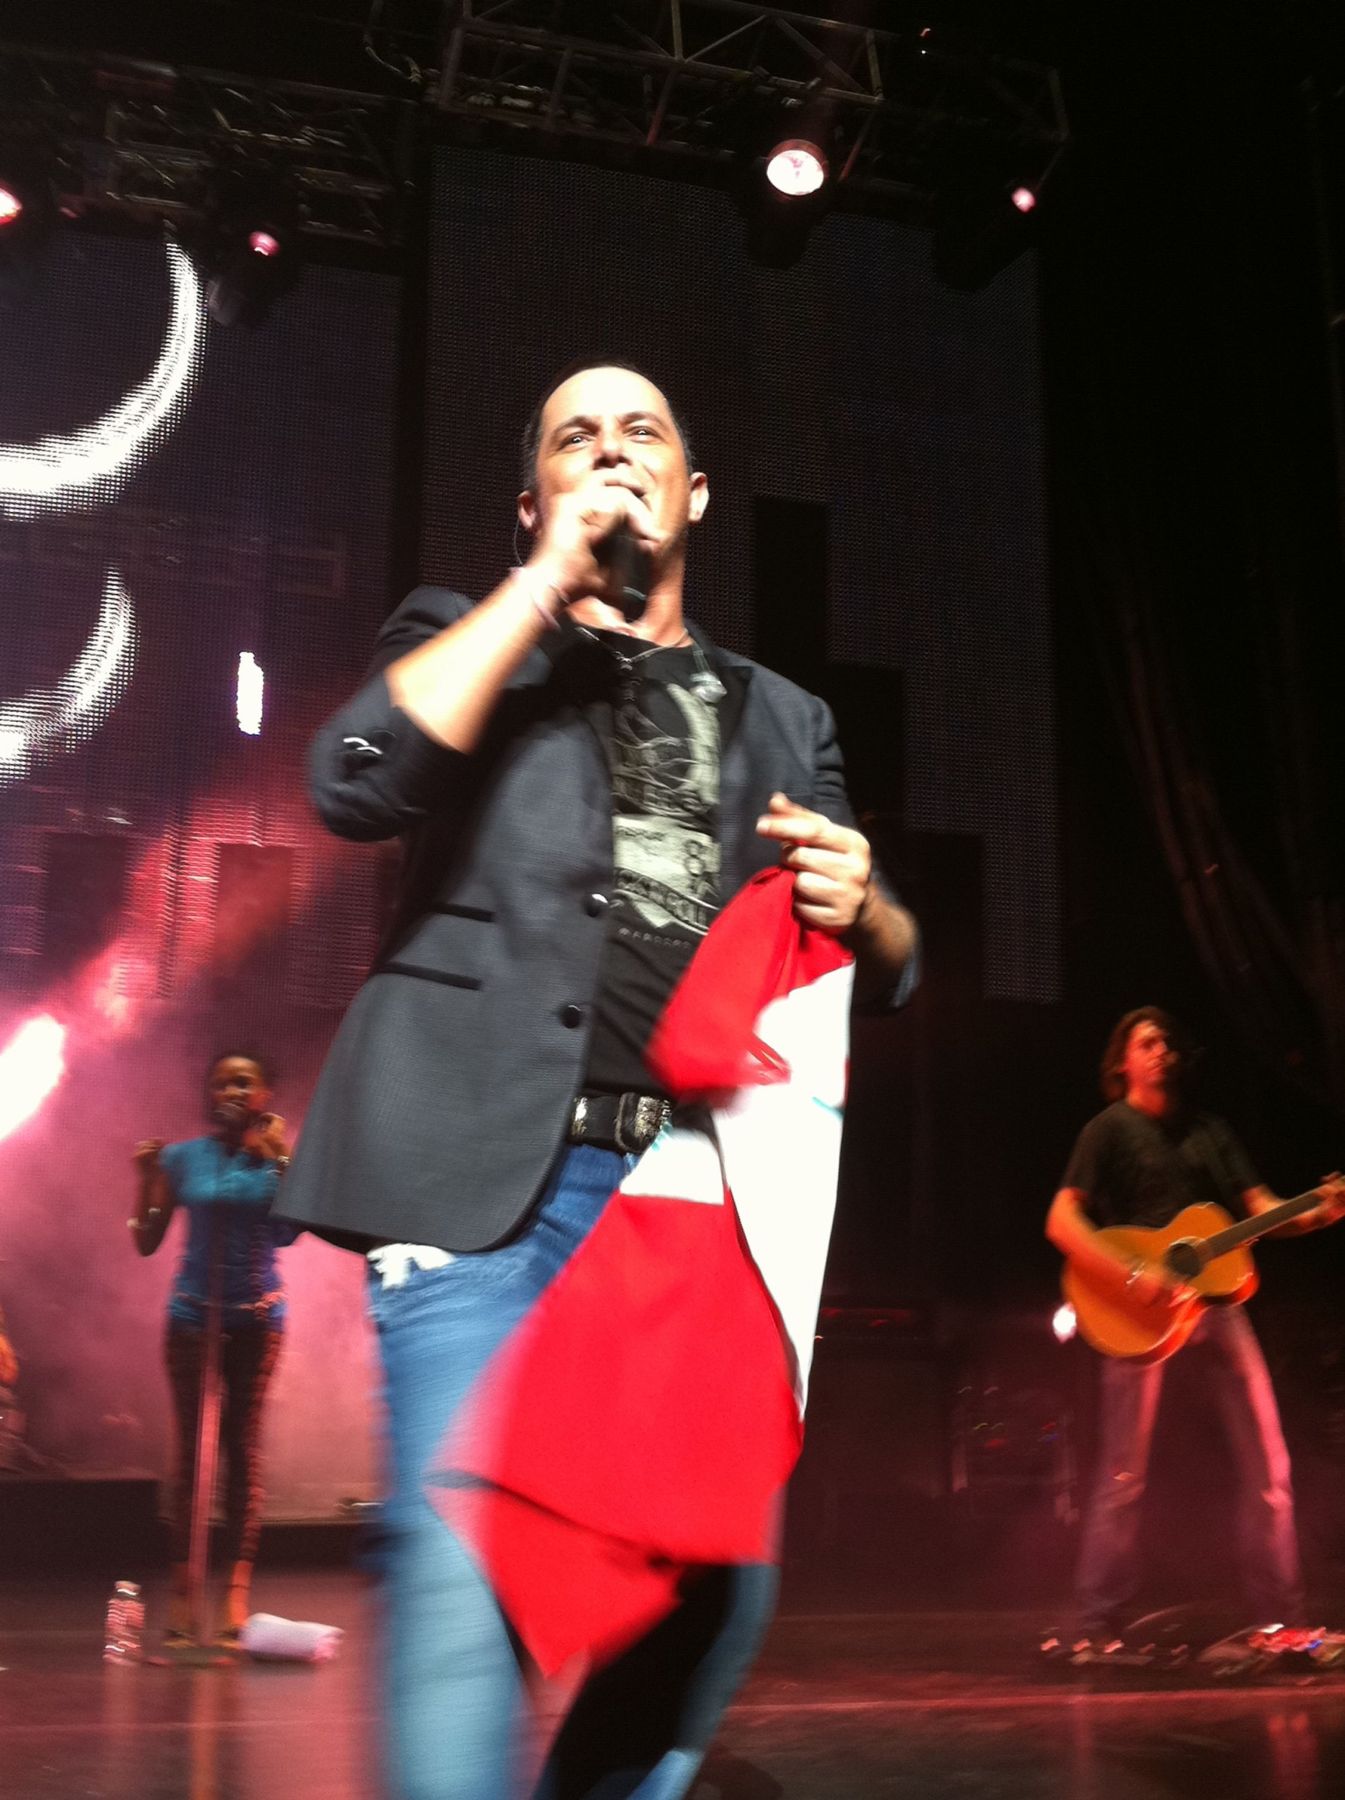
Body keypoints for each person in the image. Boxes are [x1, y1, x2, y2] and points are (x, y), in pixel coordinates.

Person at [279, 359, 918, 1800]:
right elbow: (352, 778)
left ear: (694, 495)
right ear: (532, 500)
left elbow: (877, 959)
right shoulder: (466, 637)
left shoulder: (783, 713)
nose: (613, 450)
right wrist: (538, 588)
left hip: (685, 1202)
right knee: (466, 1582)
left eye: (644, 434)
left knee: (709, 1595)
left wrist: (873, 906)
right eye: (578, 437)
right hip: (482, 1186)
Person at [1046, 1006, 1345, 1649]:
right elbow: (1063, 1223)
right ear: (1121, 1061)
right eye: (1145, 1042)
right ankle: (1099, 1623)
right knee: (1122, 1475)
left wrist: (1319, 1212)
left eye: (1167, 1042)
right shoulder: (1107, 1131)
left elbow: (1261, 1210)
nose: (1160, 1051)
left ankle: (1280, 1619)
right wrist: (1133, 1275)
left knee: (1270, 1465)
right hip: (1139, 1313)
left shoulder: (1209, 1132)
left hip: (1216, 1307)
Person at [131, 1051, 296, 1643]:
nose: (229, 1087)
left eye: (243, 1080)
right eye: (220, 1079)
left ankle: (235, 1595)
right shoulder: (181, 1158)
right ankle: (182, 1590)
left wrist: (277, 1157)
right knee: (191, 1456)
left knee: (242, 1450)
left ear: (264, 1094)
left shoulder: (277, 1162)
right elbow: (146, 1241)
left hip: (257, 1320)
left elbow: (292, 1230)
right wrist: (146, 1181)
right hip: (192, 1320)